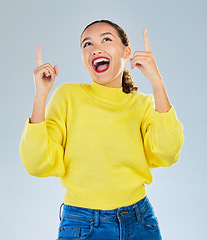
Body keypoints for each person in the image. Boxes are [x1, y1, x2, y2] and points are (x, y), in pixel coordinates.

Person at [19, 19, 184, 240]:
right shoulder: (68, 96)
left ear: (127, 52)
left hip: (139, 221)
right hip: (82, 223)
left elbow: (167, 152)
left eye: (106, 39)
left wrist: (157, 81)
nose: (96, 48)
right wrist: (40, 95)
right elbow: (36, 163)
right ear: (84, 61)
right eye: (87, 44)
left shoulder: (143, 105)